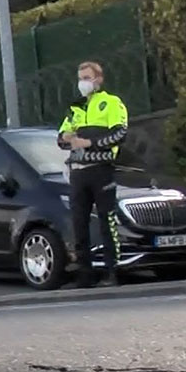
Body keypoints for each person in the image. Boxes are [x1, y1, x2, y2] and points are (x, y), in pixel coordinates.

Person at [57, 60, 129, 288]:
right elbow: (61, 138)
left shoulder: (111, 103)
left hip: (101, 171)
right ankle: (84, 274)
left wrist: (90, 142)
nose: (83, 83)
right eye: (81, 78)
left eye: (87, 78)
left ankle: (112, 271)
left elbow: (119, 134)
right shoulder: (76, 107)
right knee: (79, 224)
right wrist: (68, 139)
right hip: (78, 173)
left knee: (107, 221)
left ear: (99, 79)